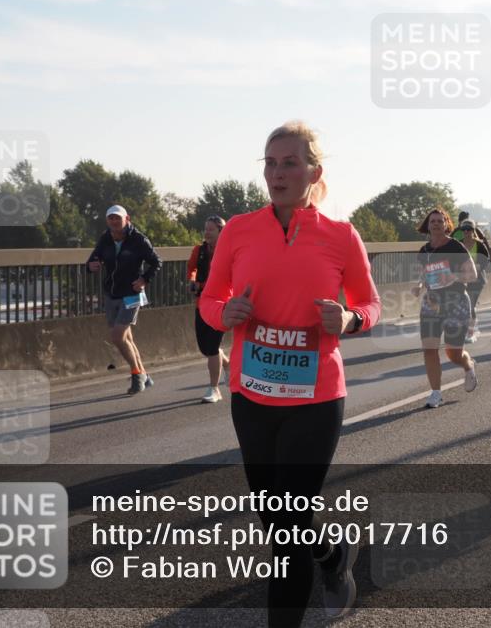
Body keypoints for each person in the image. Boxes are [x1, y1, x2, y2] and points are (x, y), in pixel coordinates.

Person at [199, 121, 382, 626]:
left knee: (288, 529)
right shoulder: (238, 229)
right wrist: (224, 314)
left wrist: (349, 319)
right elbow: (211, 298)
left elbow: (370, 303)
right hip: (252, 395)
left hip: (316, 399)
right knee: (277, 518)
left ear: (314, 171)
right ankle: (332, 556)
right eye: (270, 163)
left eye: (290, 163)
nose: (277, 173)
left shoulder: (341, 236)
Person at [86, 205, 161, 395]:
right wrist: (91, 265)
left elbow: (156, 262)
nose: (114, 221)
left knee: (117, 336)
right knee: (127, 338)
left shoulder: (138, 240)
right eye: (110, 218)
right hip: (112, 294)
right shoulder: (106, 238)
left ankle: (137, 375)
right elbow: (93, 260)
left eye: (117, 218)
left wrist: (144, 279)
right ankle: (144, 374)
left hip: (132, 294)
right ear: (107, 221)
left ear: (126, 219)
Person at [412, 208, 479, 408]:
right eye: (433, 221)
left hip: (456, 302)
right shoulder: (424, 251)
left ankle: (468, 365)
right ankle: (435, 393)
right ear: (428, 225)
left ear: (446, 224)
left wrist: (454, 277)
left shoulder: (456, 247)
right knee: (429, 349)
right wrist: (420, 286)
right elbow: (425, 274)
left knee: (454, 354)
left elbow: (473, 275)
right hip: (432, 303)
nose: (436, 224)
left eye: (440, 221)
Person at [187, 215, 231, 403]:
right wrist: (192, 281)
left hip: (221, 304)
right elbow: (191, 269)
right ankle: (227, 365)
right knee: (205, 348)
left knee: (212, 348)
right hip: (202, 304)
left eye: (211, 229)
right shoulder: (199, 250)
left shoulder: (230, 251)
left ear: (221, 231)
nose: (206, 232)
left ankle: (214, 389)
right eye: (205, 229)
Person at [459, 220, 490, 342]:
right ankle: (470, 326)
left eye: (469, 229)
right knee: (464, 306)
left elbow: (486, 260)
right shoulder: (458, 244)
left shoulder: (479, 244)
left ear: (473, 231)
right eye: (464, 230)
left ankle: (471, 333)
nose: (466, 232)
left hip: (477, 280)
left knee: (470, 305)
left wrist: (476, 267)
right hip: (462, 279)